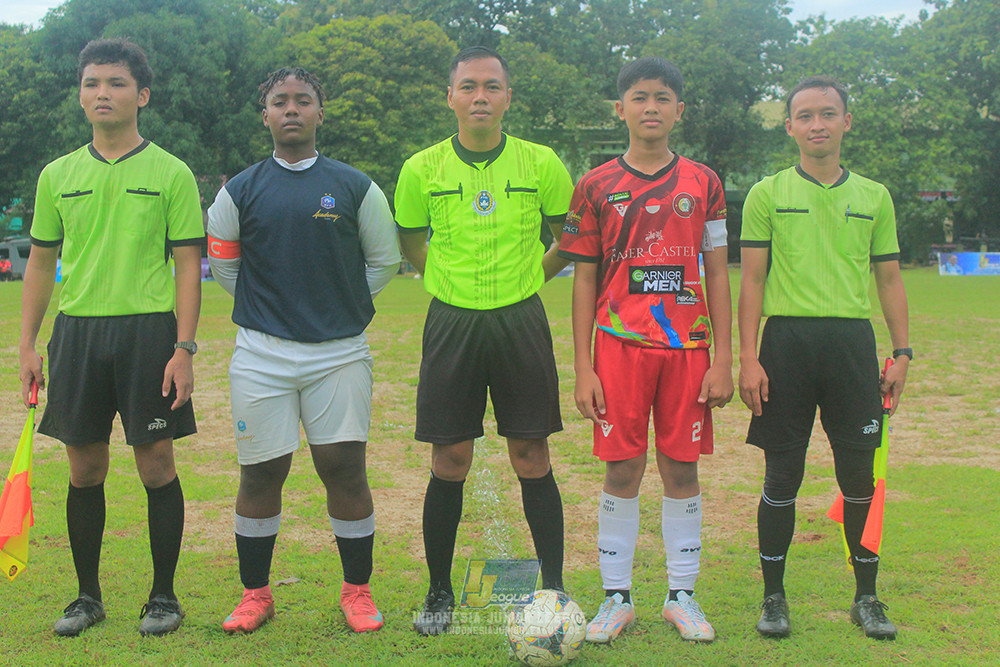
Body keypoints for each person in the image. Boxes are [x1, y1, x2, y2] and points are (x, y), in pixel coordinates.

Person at [19, 38, 203, 637]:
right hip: (76, 335)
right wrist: (28, 345)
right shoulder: (57, 175)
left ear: (142, 96)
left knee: (155, 465)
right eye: (92, 82)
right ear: (80, 93)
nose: (103, 92)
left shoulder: (171, 172)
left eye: (117, 83)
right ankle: (87, 597)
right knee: (84, 469)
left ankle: (163, 597)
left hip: (149, 335)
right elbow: (41, 264)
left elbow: (186, 266)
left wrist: (184, 347)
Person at [207, 67, 399, 635]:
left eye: (303, 100)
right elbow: (225, 268)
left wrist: (337, 303)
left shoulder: (356, 186)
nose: (291, 109)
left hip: (338, 352)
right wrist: (274, 313)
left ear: (320, 112)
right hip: (261, 354)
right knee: (261, 472)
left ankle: (358, 591)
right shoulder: (236, 190)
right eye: (279, 101)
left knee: (343, 468)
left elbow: (383, 261)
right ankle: (255, 595)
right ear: (264, 114)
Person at [394, 46, 574, 636]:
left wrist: (530, 281)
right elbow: (413, 247)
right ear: (450, 97)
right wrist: (448, 283)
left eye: (491, 87)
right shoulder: (421, 168)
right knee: (450, 458)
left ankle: (552, 591)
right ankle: (440, 593)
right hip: (453, 322)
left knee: (532, 453)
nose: (479, 97)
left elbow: (567, 239)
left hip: (520, 320)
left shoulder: (540, 162)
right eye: (467, 86)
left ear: (507, 97)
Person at [558, 57, 733, 644]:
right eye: (639, 97)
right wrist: (583, 367)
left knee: (681, 469)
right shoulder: (596, 185)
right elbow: (584, 280)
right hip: (619, 347)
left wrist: (724, 359)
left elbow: (717, 274)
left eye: (662, 98)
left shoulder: (704, 183)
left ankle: (682, 595)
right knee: (622, 467)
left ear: (679, 110)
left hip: (688, 349)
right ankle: (617, 598)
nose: (651, 107)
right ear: (621, 108)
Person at [738, 75, 910, 641]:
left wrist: (902, 350)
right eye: (806, 115)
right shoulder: (766, 194)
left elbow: (888, 278)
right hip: (785, 346)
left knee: (859, 473)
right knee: (782, 473)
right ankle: (774, 599)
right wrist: (747, 356)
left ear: (846, 121)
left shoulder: (875, 196)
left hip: (852, 348)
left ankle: (867, 598)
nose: (817, 124)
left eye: (828, 113)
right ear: (789, 126)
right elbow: (753, 280)